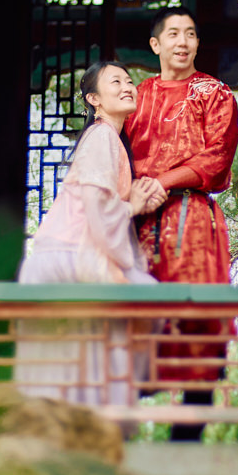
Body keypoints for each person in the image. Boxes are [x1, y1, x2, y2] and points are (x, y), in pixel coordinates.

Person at [16, 60, 162, 407]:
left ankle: (75, 429)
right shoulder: (101, 137)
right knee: (146, 298)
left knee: (69, 363)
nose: (128, 86)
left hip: (63, 257)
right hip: (68, 258)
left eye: (129, 81)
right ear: (94, 98)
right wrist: (133, 207)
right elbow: (98, 206)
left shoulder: (108, 138)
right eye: (116, 82)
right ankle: (104, 416)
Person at [126, 8, 238, 439]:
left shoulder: (214, 93)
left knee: (197, 314)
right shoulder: (135, 96)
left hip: (190, 222)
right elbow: (115, 153)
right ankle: (119, 432)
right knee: (133, 315)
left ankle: (188, 433)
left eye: (190, 33)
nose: (183, 41)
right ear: (155, 44)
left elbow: (216, 159)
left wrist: (162, 181)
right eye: (173, 33)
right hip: (137, 220)